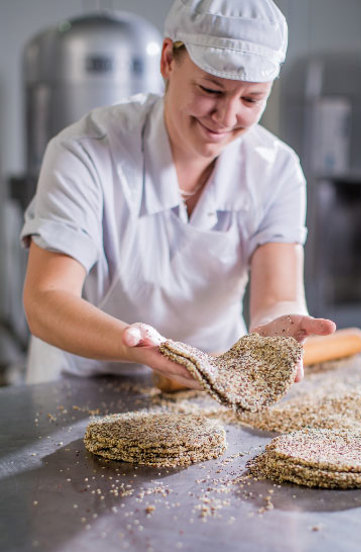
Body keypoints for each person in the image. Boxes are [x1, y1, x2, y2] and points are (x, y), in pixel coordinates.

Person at [21, 0, 335, 387]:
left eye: (251, 99)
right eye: (210, 89)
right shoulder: (86, 153)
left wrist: (279, 329)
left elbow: (277, 296)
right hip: (80, 384)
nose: (226, 117)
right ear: (169, 59)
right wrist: (140, 347)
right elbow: (47, 299)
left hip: (208, 383)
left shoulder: (275, 169)